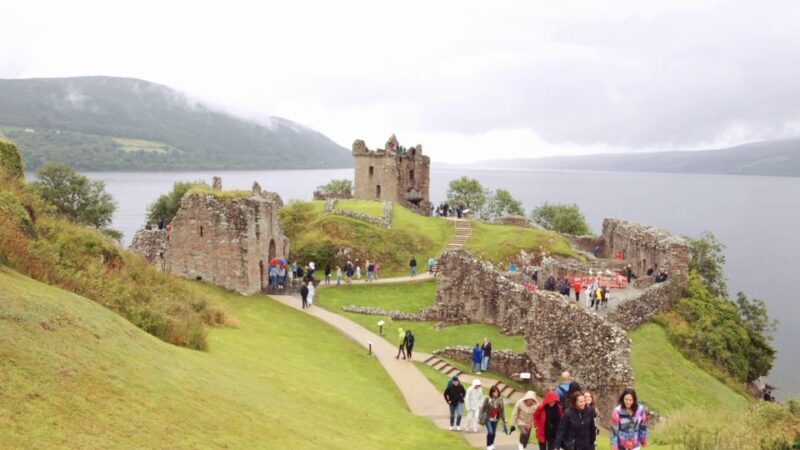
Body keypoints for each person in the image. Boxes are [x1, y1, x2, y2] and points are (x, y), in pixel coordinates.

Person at [480, 384, 506, 449]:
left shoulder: (500, 400)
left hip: (496, 419)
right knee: (490, 432)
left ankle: (491, 444)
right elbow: (483, 408)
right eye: (494, 392)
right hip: (488, 418)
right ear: (491, 392)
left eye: (497, 392)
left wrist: (503, 419)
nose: (495, 393)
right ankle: (488, 445)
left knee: (494, 433)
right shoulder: (488, 398)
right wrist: (480, 417)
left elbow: (502, 410)